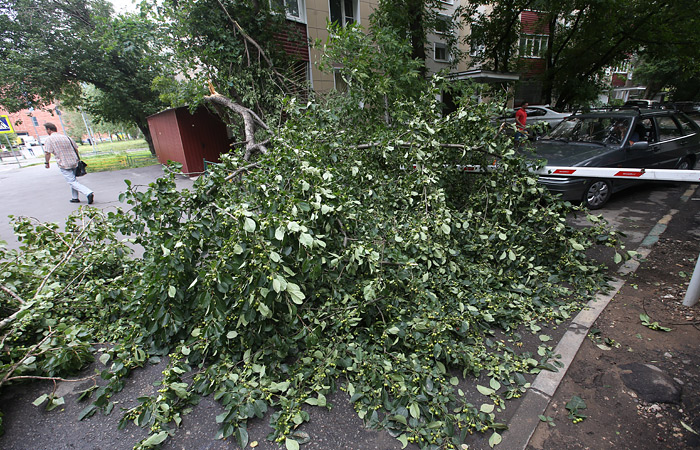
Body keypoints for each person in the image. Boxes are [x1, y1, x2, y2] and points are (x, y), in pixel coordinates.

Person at [43, 123, 94, 204]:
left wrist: (47, 162)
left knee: (71, 181)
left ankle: (88, 192)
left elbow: (47, 152)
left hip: (63, 162)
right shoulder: (67, 137)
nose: (46, 131)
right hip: (74, 161)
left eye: (46, 129)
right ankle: (75, 197)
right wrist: (78, 159)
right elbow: (76, 149)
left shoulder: (49, 139)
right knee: (73, 180)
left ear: (49, 129)